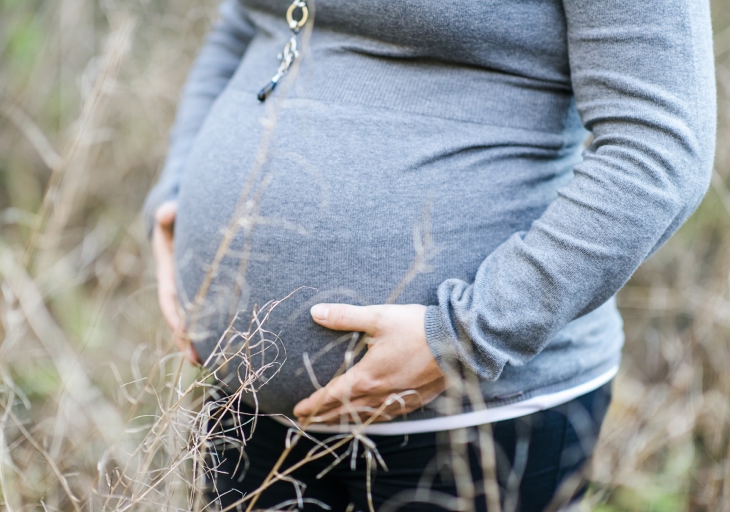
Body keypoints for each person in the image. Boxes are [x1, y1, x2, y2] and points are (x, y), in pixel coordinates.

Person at [144, 0, 716, 510]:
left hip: (475, 416)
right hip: (247, 408)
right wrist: (175, 197)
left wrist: (464, 338)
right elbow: (243, 23)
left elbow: (659, 144)